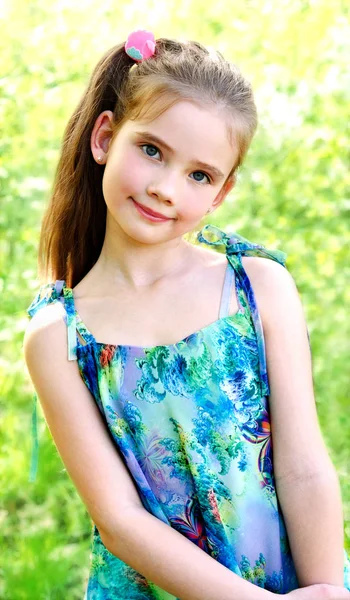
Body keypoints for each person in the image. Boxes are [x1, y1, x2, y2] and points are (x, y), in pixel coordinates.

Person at [23, 30, 350, 599]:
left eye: (199, 175)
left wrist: (324, 591)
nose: (166, 189)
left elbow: (303, 468)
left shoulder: (258, 287)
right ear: (105, 137)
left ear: (220, 192)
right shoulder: (59, 336)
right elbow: (121, 520)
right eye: (151, 150)